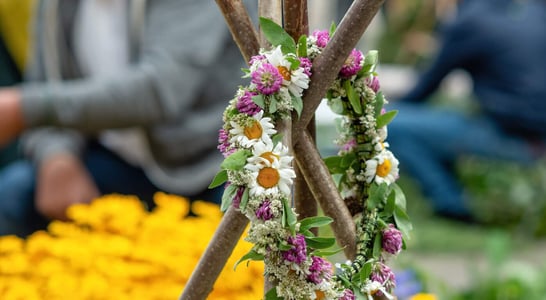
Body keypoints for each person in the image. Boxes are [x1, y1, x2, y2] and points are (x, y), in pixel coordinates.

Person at [0, 0, 251, 236]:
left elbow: (161, 90)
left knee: (252, 236)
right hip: (119, 161)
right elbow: (46, 81)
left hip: (209, 166)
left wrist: (25, 109)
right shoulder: (57, 6)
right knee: (14, 193)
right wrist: (56, 157)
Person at [387, 0, 546, 221]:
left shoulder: (470, 21)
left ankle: (452, 206)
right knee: (444, 119)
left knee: (391, 123)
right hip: (536, 137)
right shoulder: (535, 11)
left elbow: (424, 89)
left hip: (511, 138)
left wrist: (384, 109)